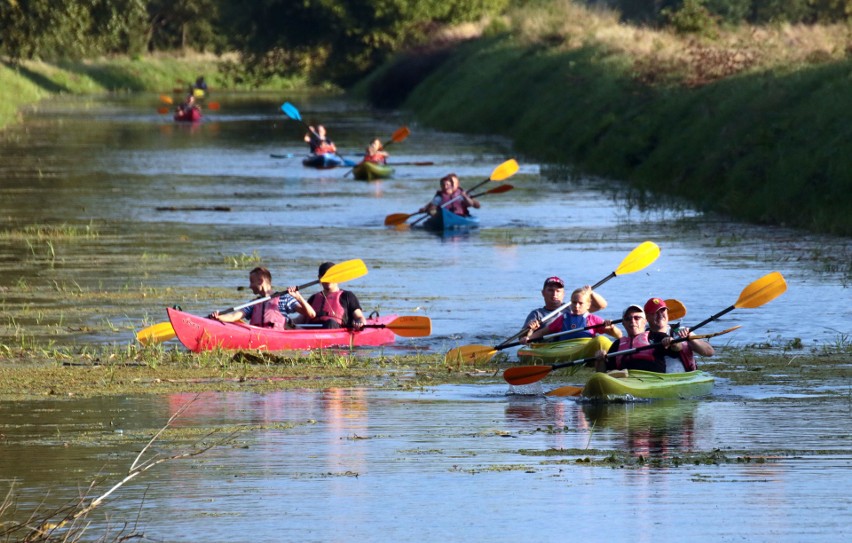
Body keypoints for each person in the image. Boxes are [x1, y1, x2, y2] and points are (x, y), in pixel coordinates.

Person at [211, 267, 312, 329]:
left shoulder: (284, 299)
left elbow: (310, 314)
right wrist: (218, 317)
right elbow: (234, 316)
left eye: (252, 282)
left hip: (278, 335)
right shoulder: (253, 303)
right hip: (258, 335)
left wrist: (298, 297)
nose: (250, 286)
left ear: (260, 281)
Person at [595, 305, 681, 373]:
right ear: (623, 323)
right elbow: (602, 372)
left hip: (653, 379)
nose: (632, 321)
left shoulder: (657, 337)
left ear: (645, 321)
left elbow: (678, 349)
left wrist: (673, 343)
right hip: (624, 380)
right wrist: (600, 360)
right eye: (628, 319)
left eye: (637, 318)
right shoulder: (617, 344)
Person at [524, 285, 620, 345]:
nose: (576, 306)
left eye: (580, 303)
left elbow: (619, 335)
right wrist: (528, 338)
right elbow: (542, 332)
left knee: (601, 339)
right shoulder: (563, 318)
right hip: (564, 348)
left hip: (585, 346)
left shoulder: (593, 319)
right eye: (574, 302)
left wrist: (612, 328)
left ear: (588, 305)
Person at [644, 297, 714, 373]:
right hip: (655, 379)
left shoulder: (681, 331)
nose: (660, 314)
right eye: (655, 312)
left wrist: (690, 338)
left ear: (667, 313)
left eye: (662, 310)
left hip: (684, 378)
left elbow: (709, 352)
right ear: (647, 317)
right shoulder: (642, 337)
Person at [303, 261, 367, 330]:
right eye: (324, 276)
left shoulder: (347, 296)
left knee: (330, 323)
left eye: (331, 276)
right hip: (313, 332)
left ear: (337, 277)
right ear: (319, 278)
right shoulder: (313, 298)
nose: (328, 280)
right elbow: (300, 319)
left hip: (335, 331)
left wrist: (360, 323)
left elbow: (359, 317)